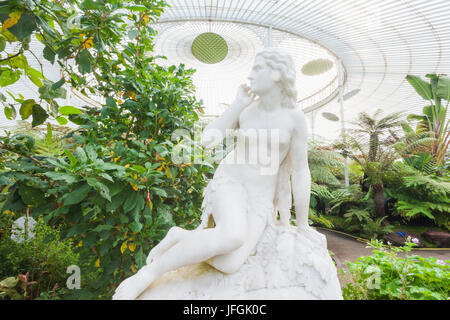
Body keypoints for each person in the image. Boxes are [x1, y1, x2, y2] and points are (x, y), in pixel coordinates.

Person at [112, 48, 325, 300]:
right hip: (231, 183)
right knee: (232, 235)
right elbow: (206, 141)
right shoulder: (247, 111)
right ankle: (149, 273)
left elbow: (300, 171)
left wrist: (301, 224)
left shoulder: (294, 119)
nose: (251, 74)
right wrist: (237, 105)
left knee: (230, 263)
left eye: (258, 69)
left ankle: (181, 237)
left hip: (260, 198)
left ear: (277, 74)